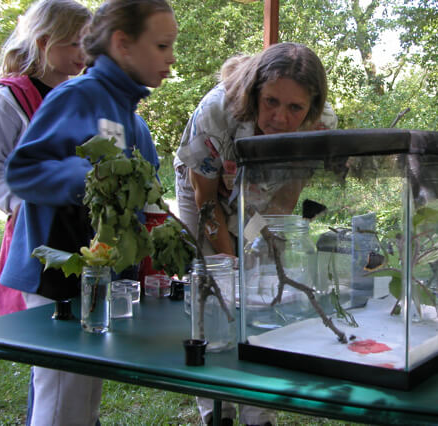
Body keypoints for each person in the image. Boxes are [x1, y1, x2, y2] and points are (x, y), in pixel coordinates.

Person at [1, 0, 177, 424]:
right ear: (123, 45)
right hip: (57, 273)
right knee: (62, 398)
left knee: (84, 398)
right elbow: (23, 171)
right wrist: (90, 177)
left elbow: (147, 194)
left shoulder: (130, 116)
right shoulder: (78, 95)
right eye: (161, 45)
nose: (171, 59)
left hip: (99, 275)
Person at [174, 42, 337, 425]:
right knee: (214, 286)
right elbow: (207, 203)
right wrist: (229, 260)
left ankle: (257, 411)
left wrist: (257, 242)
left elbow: (286, 197)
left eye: (295, 107)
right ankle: (217, 409)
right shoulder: (216, 112)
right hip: (205, 189)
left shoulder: (322, 123)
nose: (280, 117)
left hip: (264, 193)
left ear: (311, 107)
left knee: (263, 285)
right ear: (254, 93)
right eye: (271, 102)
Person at [0, 0, 91, 318]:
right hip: (36, 236)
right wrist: (18, 203)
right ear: (43, 42)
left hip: (81, 232)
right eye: (75, 43)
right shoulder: (8, 100)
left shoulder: (78, 96)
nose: (83, 53)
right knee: (50, 327)